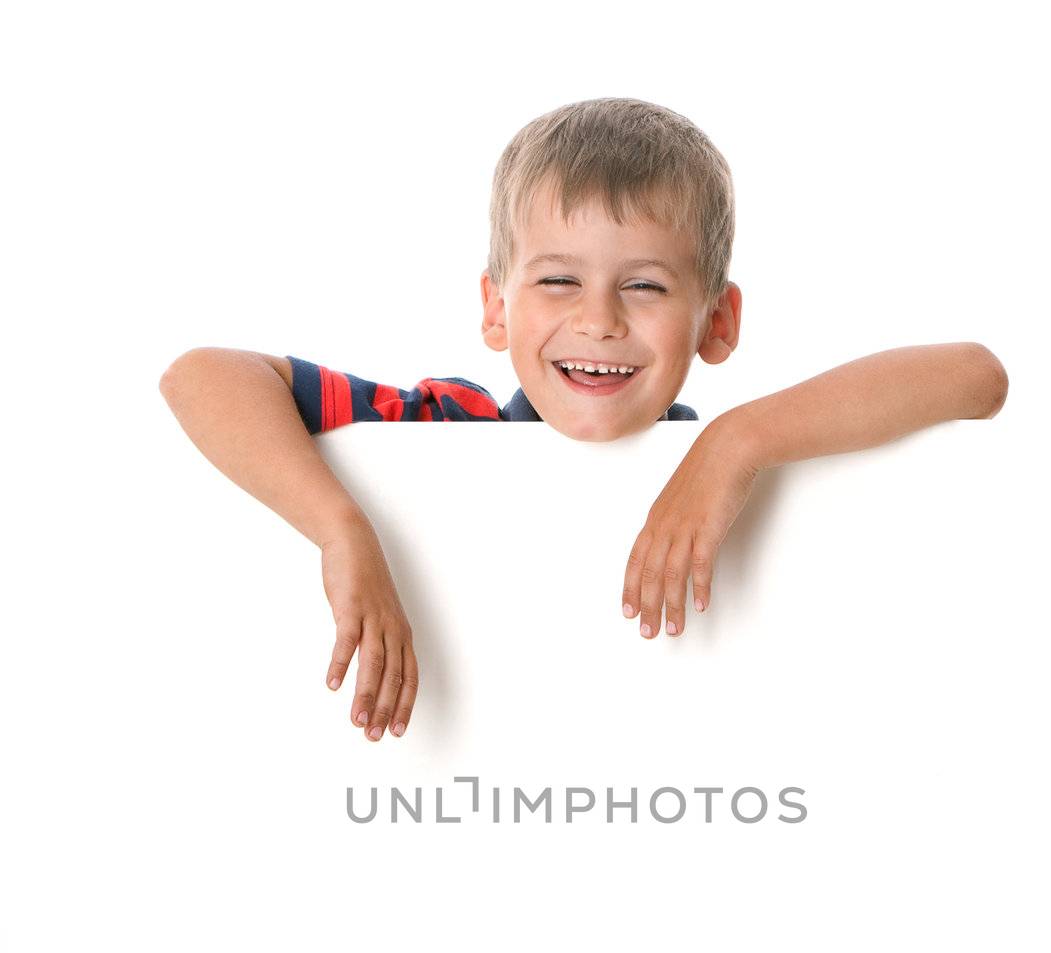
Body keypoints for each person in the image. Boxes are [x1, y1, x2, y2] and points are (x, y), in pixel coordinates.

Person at [159, 97, 1008, 744]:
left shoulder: (730, 461)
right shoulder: (446, 425)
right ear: (496, 309)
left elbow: (974, 375)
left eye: (643, 285)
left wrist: (733, 442)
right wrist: (341, 530)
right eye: (557, 281)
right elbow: (202, 375)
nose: (598, 320)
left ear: (717, 322)